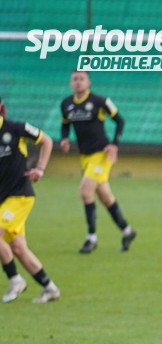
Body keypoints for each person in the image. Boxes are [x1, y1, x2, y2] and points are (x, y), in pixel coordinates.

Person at [59, 70, 137, 254]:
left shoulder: (100, 101)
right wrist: (64, 139)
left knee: (85, 192)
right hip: (85, 156)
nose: (78, 82)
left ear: (89, 82)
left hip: (101, 155)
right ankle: (127, 231)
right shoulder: (66, 104)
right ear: (71, 83)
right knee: (105, 197)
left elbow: (120, 121)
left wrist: (114, 144)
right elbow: (65, 124)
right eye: (75, 79)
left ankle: (91, 238)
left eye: (82, 78)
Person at [0, 95, 61, 304]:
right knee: (18, 248)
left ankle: (15, 279)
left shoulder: (16, 128)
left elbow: (46, 141)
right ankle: (50, 288)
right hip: (3, 200)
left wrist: (40, 169)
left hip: (20, 195)